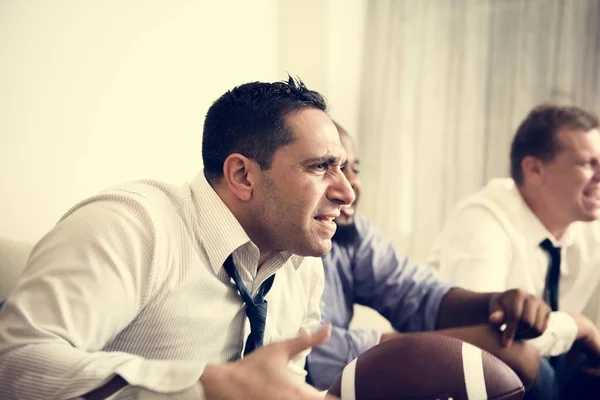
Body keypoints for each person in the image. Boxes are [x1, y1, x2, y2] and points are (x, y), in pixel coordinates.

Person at [0, 77, 355, 400]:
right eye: (320, 166)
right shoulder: (131, 227)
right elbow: (14, 362)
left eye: (342, 167)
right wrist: (204, 385)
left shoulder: (302, 266)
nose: (346, 192)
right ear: (242, 175)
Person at [307, 122, 600, 398]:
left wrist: (495, 303)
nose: (350, 188)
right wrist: (466, 345)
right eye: (324, 167)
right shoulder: (484, 219)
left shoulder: (351, 233)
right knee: (523, 369)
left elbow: (418, 295)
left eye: (353, 169)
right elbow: (310, 355)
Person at [427, 103, 600, 398]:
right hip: (458, 380)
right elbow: (487, 340)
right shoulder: (482, 219)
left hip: (549, 362)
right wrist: (579, 326)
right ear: (534, 169)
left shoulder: (588, 225)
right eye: (588, 164)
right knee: (525, 367)